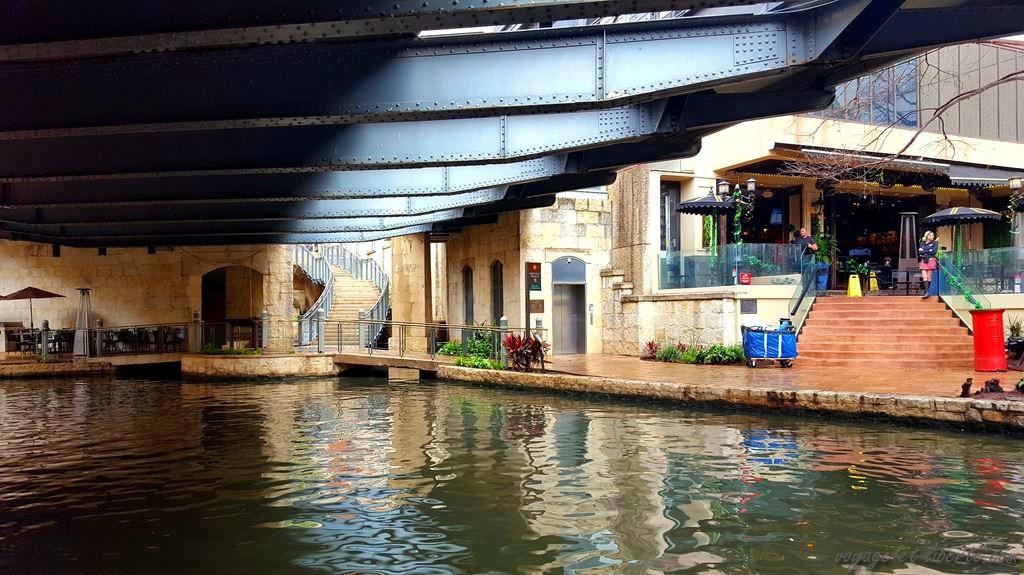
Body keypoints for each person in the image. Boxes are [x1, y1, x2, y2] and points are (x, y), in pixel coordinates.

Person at [918, 231, 938, 298]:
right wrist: (929, 251)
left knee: (929, 277)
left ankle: (927, 292)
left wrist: (924, 251)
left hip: (931, 260)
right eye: (930, 235)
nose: (932, 236)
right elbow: (920, 252)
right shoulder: (923, 243)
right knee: (924, 276)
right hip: (924, 260)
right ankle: (927, 291)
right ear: (926, 236)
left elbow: (934, 251)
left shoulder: (935, 242)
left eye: (933, 235)